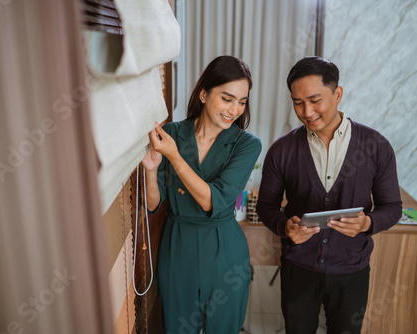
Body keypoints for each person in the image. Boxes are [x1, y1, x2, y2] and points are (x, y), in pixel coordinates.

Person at [256, 56, 402, 334]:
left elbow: (392, 206)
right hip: (298, 268)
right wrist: (285, 228)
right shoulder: (282, 150)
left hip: (352, 270)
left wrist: (367, 224)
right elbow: (266, 206)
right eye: (298, 102)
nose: (307, 111)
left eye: (315, 100)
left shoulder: (376, 146)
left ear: (338, 94)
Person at [142, 55, 262, 334]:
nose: (234, 109)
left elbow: (213, 200)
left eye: (242, 101)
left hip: (224, 252)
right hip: (177, 247)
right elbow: (153, 204)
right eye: (227, 98)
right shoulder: (171, 133)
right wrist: (151, 170)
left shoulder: (246, 145)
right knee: (177, 327)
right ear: (204, 93)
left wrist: (174, 157)